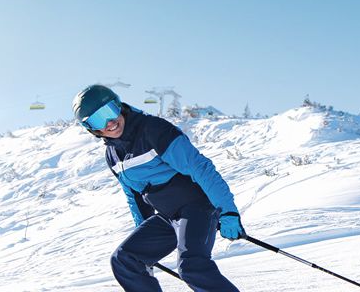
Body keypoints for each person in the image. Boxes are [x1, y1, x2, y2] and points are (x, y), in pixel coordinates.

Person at [73, 84, 244, 292]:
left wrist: (227, 210)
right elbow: (134, 196)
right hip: (167, 215)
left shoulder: (153, 130)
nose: (109, 123)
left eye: (109, 111)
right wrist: (144, 243)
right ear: (91, 129)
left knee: (192, 267)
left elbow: (201, 168)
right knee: (125, 260)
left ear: (118, 105)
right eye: (98, 120)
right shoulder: (112, 156)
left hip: (196, 207)